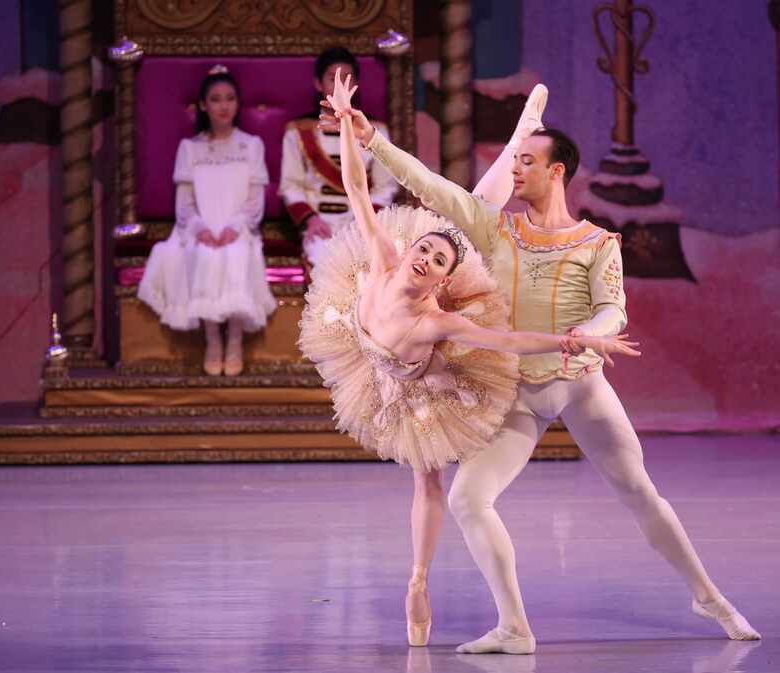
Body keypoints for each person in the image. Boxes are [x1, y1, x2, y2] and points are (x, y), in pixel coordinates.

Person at [319, 83, 761, 652]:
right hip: (517, 394)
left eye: (525, 160)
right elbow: (431, 187)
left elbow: (612, 309)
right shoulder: (494, 228)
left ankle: (709, 596)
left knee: (640, 492)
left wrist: (590, 336)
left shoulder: (598, 243)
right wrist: (373, 140)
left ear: (556, 173)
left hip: (580, 387)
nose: (513, 168)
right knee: (466, 500)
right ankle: (514, 627)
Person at [301, 71, 640, 649]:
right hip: (363, 349)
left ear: (441, 281)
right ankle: (521, 135)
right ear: (407, 248)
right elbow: (358, 192)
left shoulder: (438, 319)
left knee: (428, 477)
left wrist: (570, 340)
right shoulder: (385, 260)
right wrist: (352, 134)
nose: (424, 258)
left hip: (423, 381)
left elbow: (507, 343)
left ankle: (419, 579)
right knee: (469, 208)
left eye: (435, 261)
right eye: (423, 249)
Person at [138, 65, 276, 376]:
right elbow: (184, 202)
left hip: (239, 226)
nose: (223, 106)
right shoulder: (190, 149)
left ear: (238, 103)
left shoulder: (251, 145)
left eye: (229, 98)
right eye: (215, 99)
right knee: (202, 254)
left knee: (237, 252)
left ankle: (236, 339)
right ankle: (213, 339)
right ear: (203, 104)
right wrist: (200, 228)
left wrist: (235, 227)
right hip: (198, 227)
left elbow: (255, 198)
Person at [279, 46, 398, 266]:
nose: (340, 86)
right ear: (318, 84)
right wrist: (311, 221)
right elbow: (290, 185)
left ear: (355, 85)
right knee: (322, 260)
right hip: (319, 224)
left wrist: (363, 221)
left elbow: (386, 187)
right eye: (333, 79)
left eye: (347, 78)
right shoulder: (298, 132)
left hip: (362, 224)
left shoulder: (375, 130)